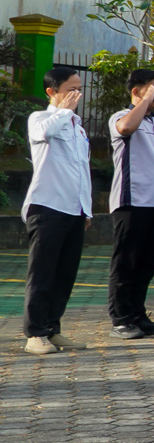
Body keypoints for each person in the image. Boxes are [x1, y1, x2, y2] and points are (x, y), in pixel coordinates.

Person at [21, 66, 92, 355]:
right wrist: (63, 111)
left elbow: (81, 169)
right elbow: (46, 133)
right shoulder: (40, 118)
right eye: (70, 89)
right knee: (42, 272)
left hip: (73, 209)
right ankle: (34, 334)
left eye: (79, 88)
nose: (77, 94)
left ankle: (52, 328)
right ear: (52, 91)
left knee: (65, 273)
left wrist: (86, 209)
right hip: (47, 206)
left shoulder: (77, 125)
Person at [106, 68, 154, 340]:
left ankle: (138, 315)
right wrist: (143, 102)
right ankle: (121, 318)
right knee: (126, 263)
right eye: (153, 89)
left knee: (146, 265)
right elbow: (125, 128)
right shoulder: (121, 117)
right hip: (132, 202)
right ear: (136, 91)